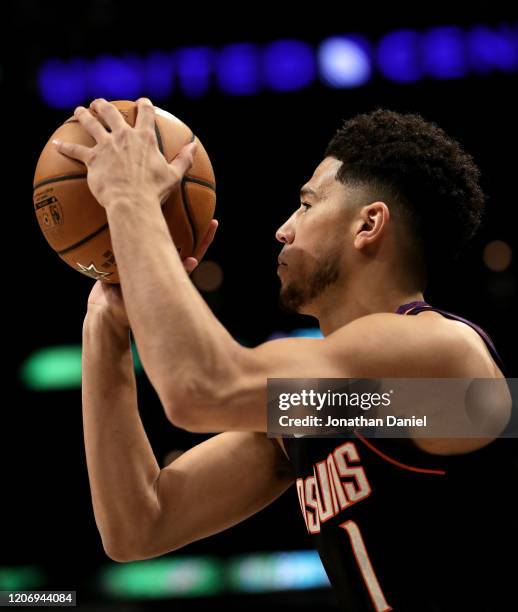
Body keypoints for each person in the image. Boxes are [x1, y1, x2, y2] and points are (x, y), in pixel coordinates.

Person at [62, 100, 517, 611]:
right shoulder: (336, 403)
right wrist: (104, 320)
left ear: (368, 225)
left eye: (306, 204)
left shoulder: (440, 356)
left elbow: (202, 389)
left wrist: (131, 200)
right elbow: (139, 524)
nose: (283, 228)